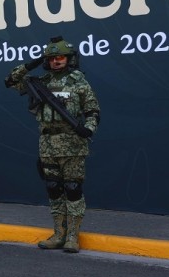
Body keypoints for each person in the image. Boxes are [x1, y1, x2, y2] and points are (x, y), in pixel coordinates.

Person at [5, 36, 100, 253]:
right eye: (52, 58)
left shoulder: (79, 82)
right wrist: (33, 63)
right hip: (48, 143)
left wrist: (89, 129)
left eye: (61, 57)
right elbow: (10, 80)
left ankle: (73, 237)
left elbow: (93, 111)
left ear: (69, 59)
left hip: (73, 144)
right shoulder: (40, 83)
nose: (56, 61)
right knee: (54, 189)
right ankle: (58, 233)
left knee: (73, 189)